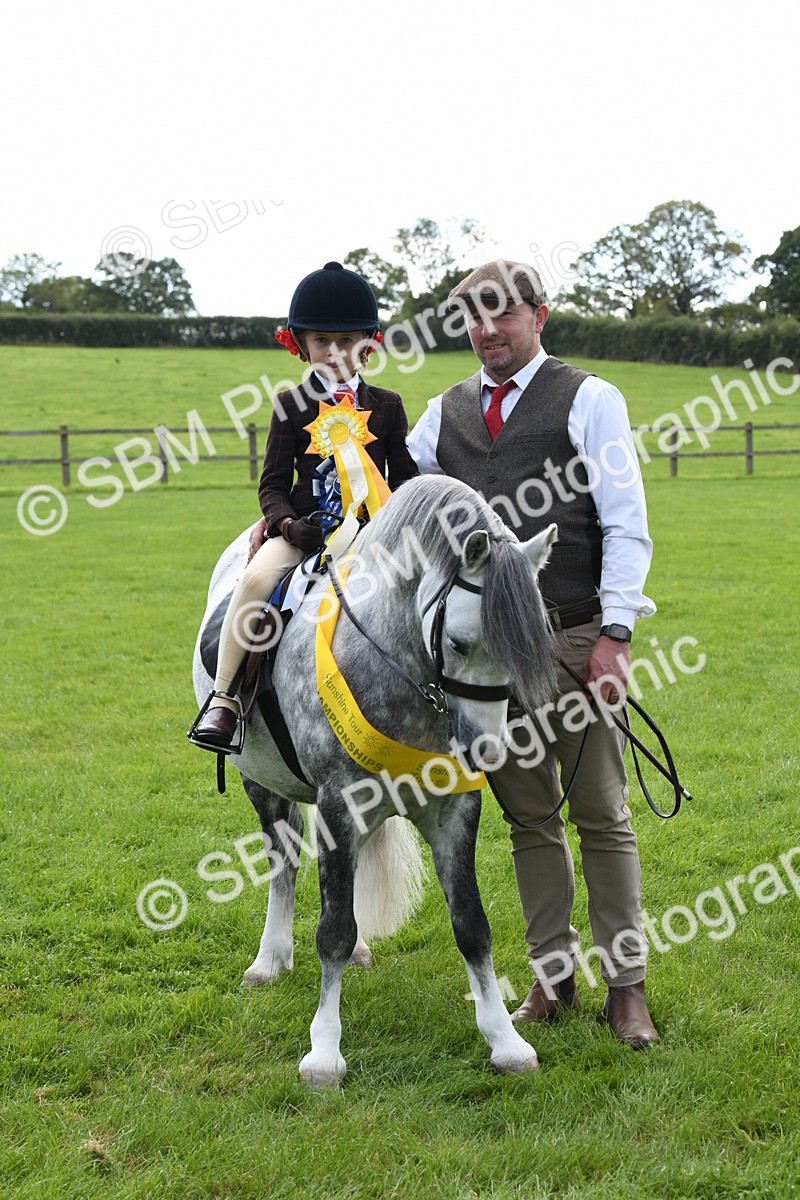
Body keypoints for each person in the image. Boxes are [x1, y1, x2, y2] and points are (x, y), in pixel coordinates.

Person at [407, 259, 659, 1048]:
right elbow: (391, 498)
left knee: (600, 814)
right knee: (528, 817)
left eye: (502, 315)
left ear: (538, 316)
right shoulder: (440, 415)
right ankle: (552, 978)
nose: (487, 331)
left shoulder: (589, 398)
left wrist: (614, 635)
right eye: (473, 318)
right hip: (486, 655)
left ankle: (628, 989)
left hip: (577, 635)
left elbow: (625, 522)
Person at [192, 261, 419, 750]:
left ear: (368, 343)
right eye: (322, 342)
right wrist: (287, 525)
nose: (334, 353)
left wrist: (401, 520)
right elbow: (271, 484)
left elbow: (405, 477)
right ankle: (224, 699)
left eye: (346, 342)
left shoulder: (389, 405)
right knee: (254, 579)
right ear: (301, 345)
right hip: (306, 532)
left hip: (374, 532)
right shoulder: (289, 405)